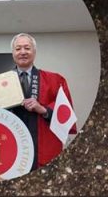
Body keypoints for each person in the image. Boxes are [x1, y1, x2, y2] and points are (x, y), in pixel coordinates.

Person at [9, 33, 75, 170]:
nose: (23, 52)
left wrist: (44, 110)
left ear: (34, 52)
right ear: (13, 53)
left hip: (44, 145)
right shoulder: (1, 82)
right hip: (11, 145)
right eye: (18, 48)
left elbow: (66, 112)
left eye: (27, 48)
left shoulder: (55, 80)